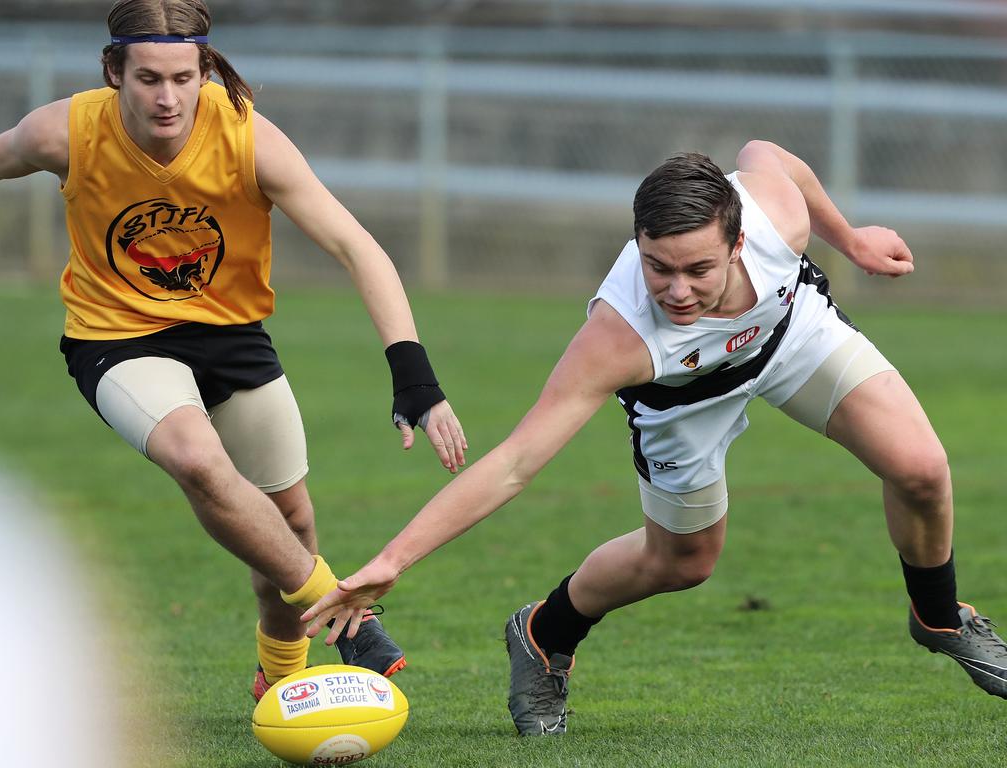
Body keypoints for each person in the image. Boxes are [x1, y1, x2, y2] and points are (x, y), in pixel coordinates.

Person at [301, 142, 1007, 735]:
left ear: (737, 242)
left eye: (698, 269)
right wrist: (394, 559)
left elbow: (768, 155)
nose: (676, 291)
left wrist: (849, 239)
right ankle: (545, 634)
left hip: (790, 338)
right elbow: (515, 463)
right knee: (685, 562)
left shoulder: (774, 216)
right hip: (681, 400)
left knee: (921, 468)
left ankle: (939, 617)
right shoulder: (618, 337)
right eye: (657, 266)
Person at [0, 0, 468, 702]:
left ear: (205, 68)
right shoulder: (63, 133)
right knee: (197, 459)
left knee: (290, 528)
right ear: (114, 70)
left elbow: (354, 245)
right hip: (117, 337)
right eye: (148, 78)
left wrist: (413, 377)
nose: (168, 97)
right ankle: (346, 612)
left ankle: (280, 682)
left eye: (185, 77)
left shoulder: (248, 138)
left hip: (232, 337)